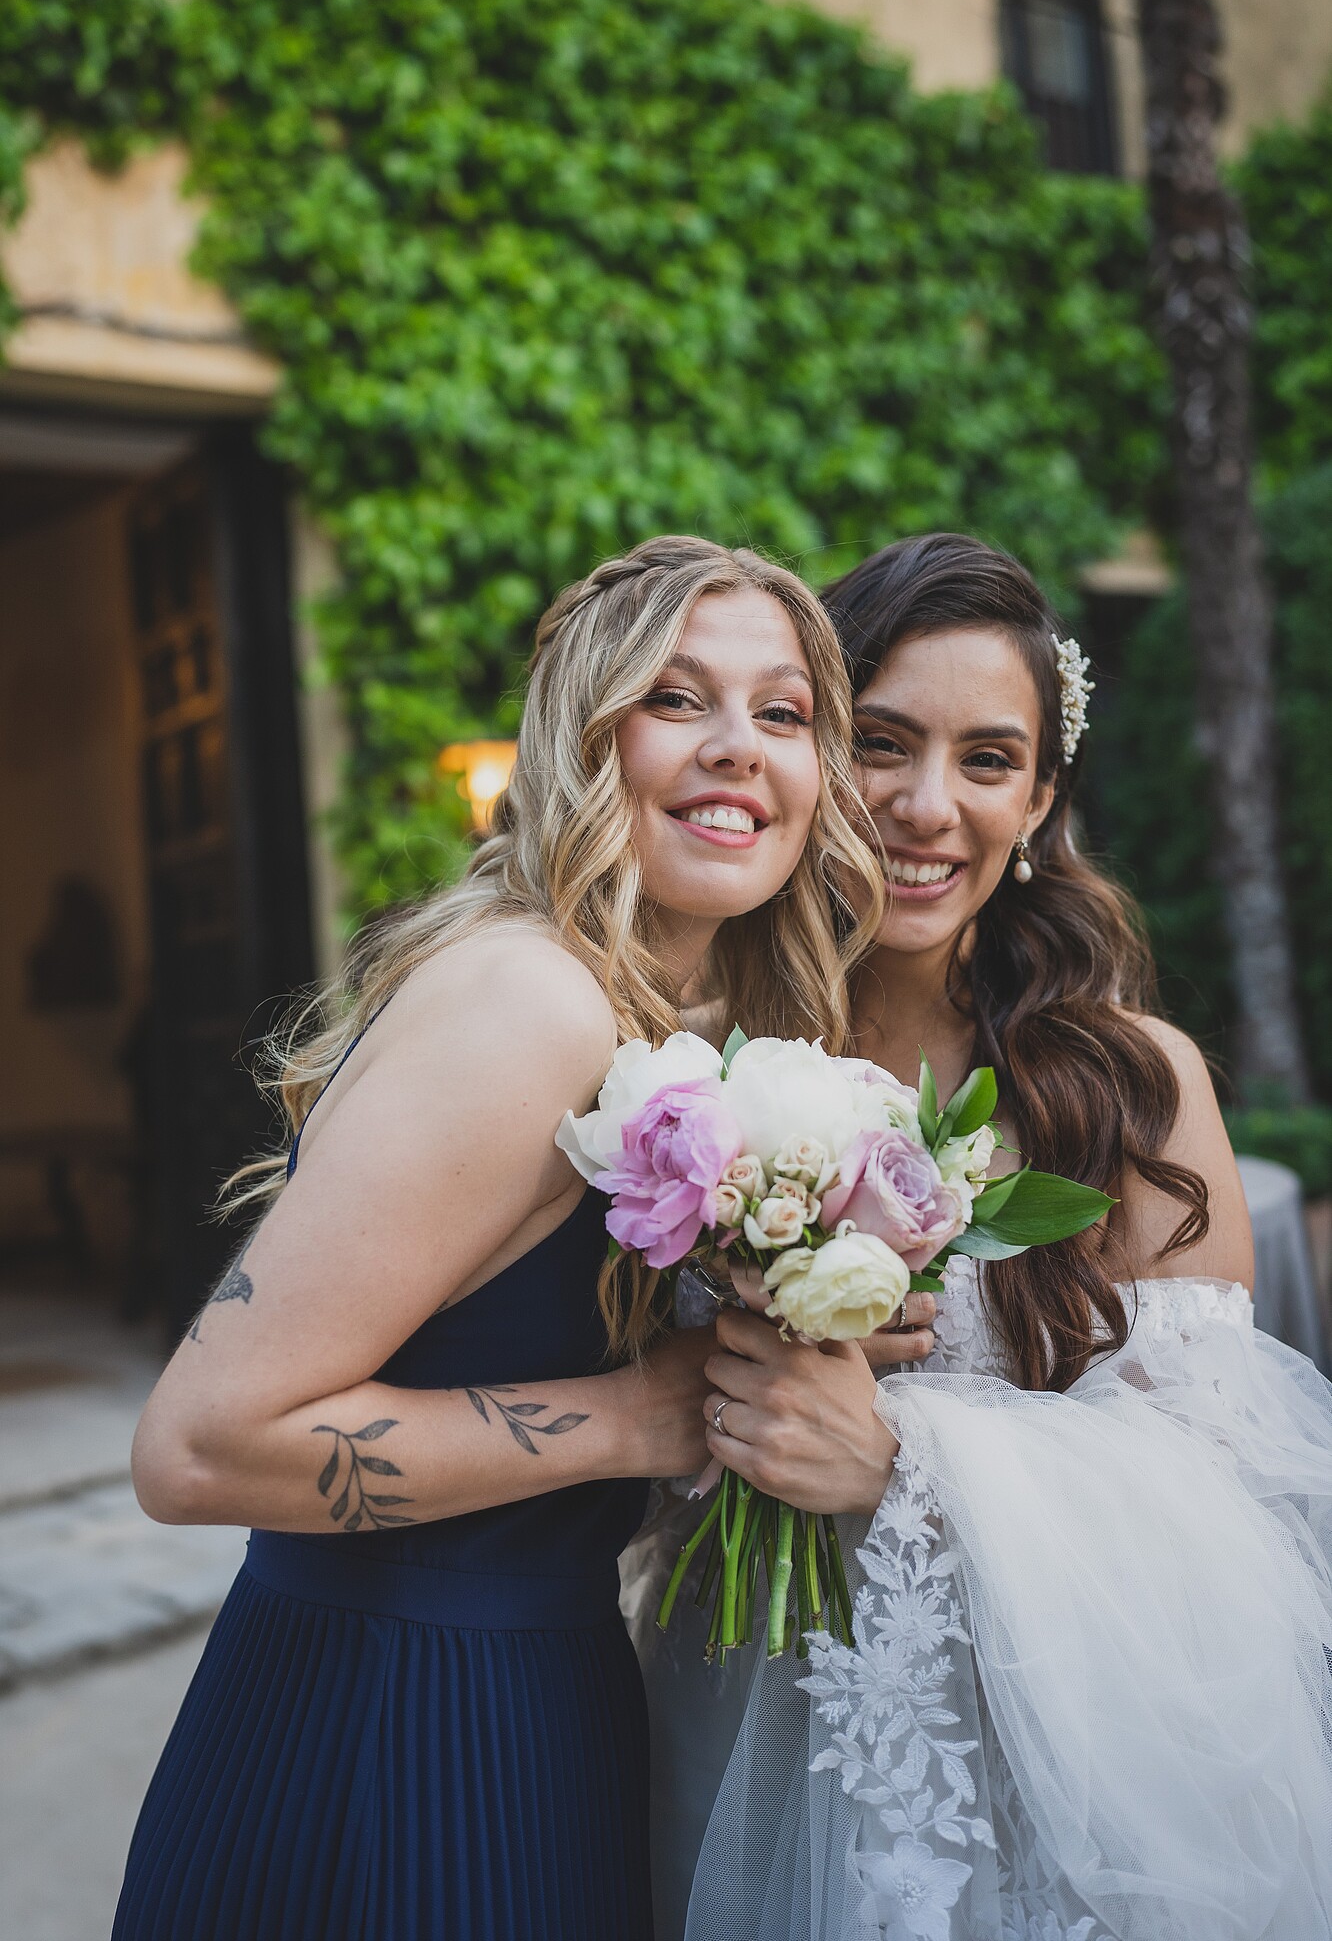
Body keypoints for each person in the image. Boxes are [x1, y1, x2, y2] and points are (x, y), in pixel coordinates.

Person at [111, 534, 886, 1941]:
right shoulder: (530, 1001)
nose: (737, 748)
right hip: (386, 1727)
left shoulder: (678, 1028)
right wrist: (637, 1421)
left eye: (782, 713)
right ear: (584, 741)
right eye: (674, 698)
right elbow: (196, 1446)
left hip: (545, 1686)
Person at [652, 534, 1332, 1941]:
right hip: (729, 1712)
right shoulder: (680, 1077)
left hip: (1034, 1765)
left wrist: (909, 1462)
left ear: (1039, 801)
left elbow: (1226, 1501)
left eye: (986, 760)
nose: (924, 806)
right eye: (882, 743)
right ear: (815, 752)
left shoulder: (1134, 1084)